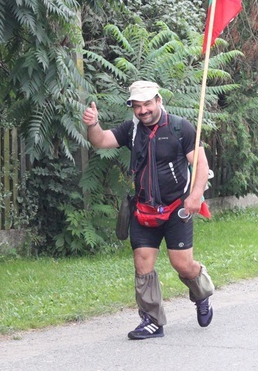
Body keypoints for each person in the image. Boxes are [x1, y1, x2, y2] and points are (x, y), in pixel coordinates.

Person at [82, 80, 214, 340]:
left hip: (178, 208)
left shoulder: (180, 128)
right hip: (143, 209)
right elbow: (100, 141)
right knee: (142, 263)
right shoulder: (131, 130)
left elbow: (200, 164)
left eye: (147, 104)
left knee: (183, 265)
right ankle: (152, 320)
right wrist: (92, 124)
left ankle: (202, 295)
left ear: (158, 101)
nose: (143, 111)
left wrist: (195, 196)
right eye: (137, 106)